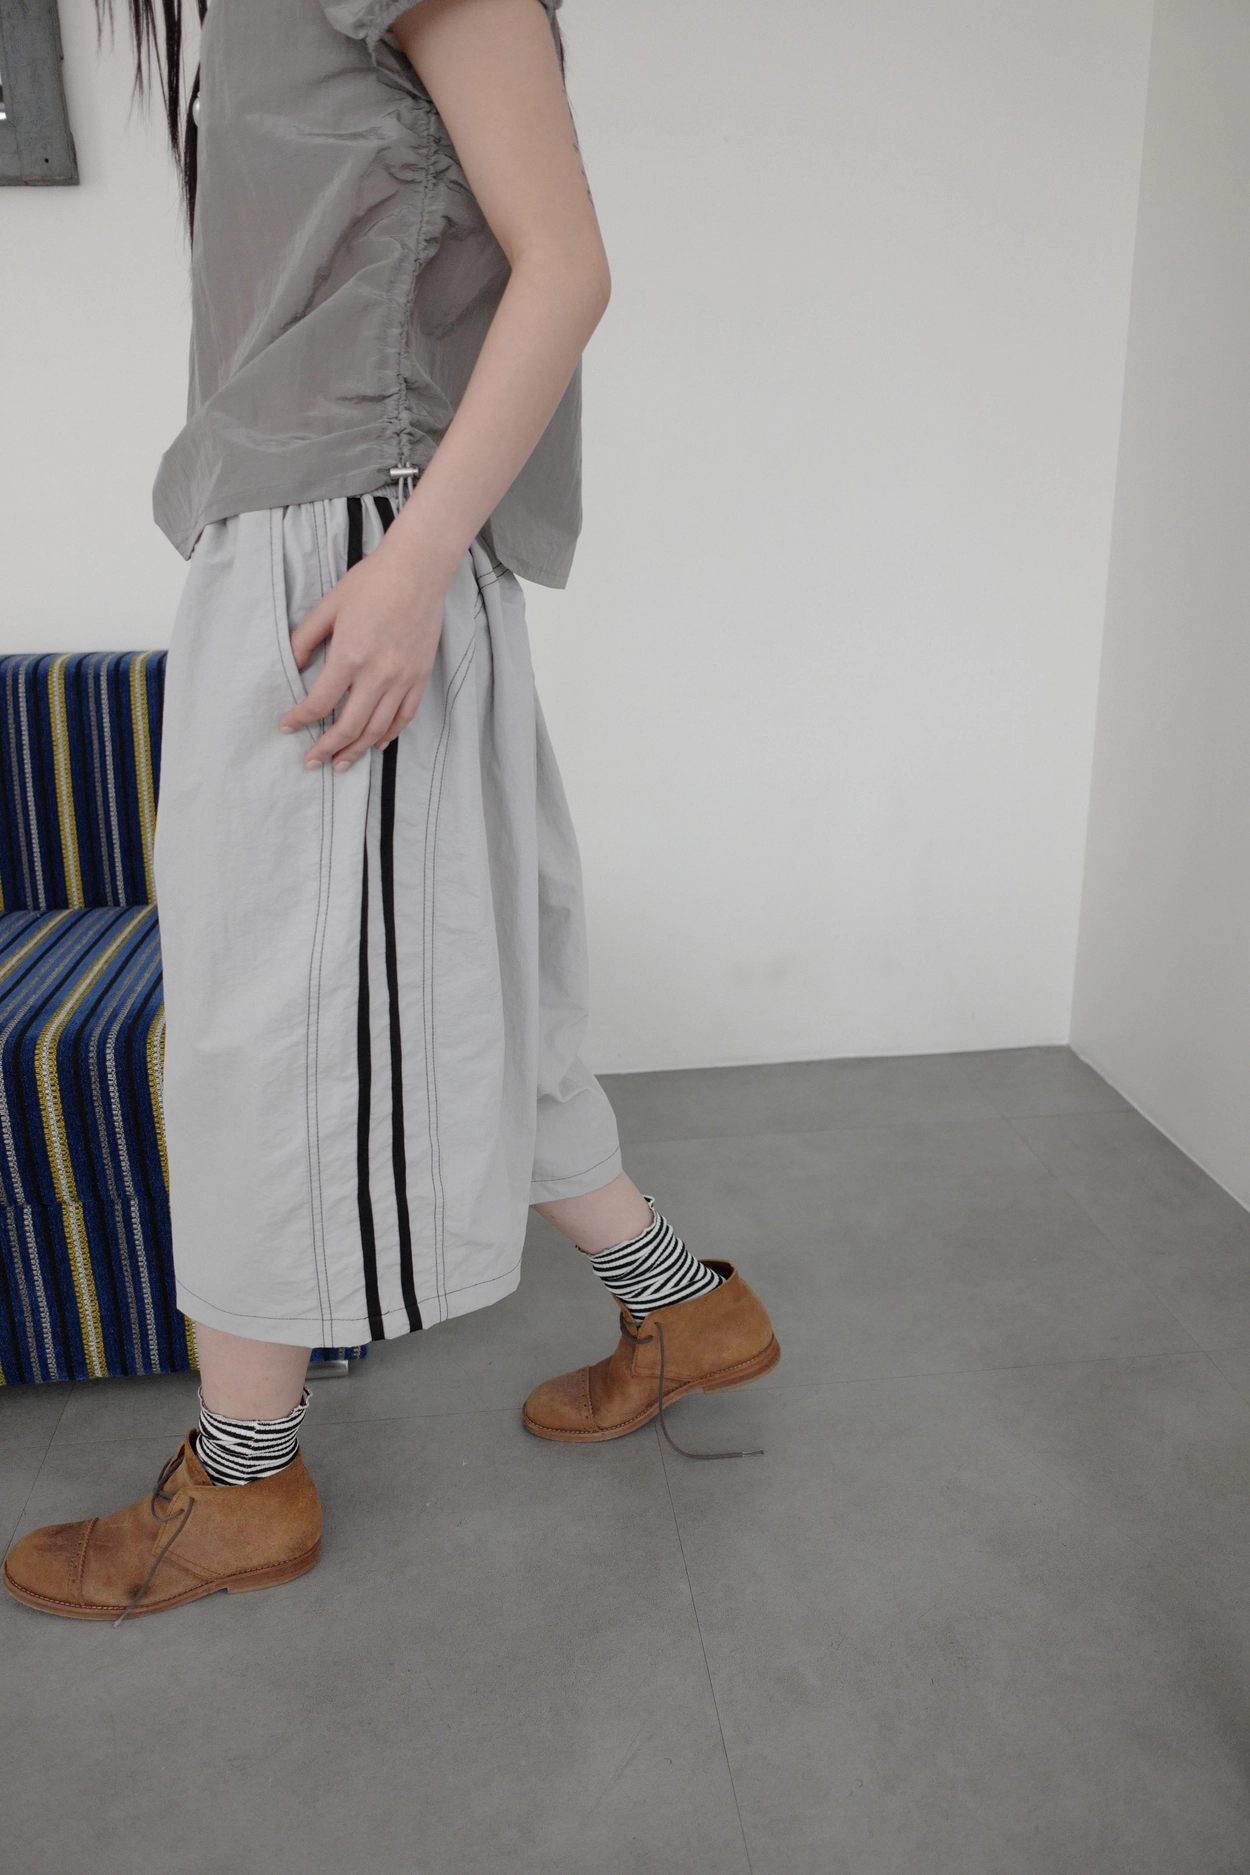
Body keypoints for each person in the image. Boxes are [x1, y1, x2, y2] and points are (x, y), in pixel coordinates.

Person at [3, 0, 778, 1623]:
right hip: (333, 532)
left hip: (351, 545)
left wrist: (409, 565)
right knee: (482, 990)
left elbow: (562, 261)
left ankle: (243, 1477)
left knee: (260, 1034)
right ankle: (683, 1308)